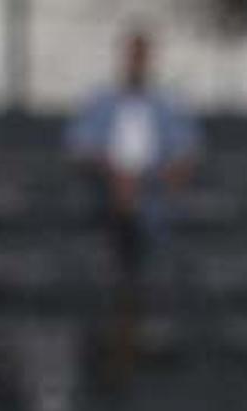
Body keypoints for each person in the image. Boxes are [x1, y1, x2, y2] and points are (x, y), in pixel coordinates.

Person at [65, 28, 202, 279]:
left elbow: (186, 152)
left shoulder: (169, 105)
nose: (136, 61)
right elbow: (80, 147)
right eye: (131, 54)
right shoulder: (99, 102)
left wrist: (150, 180)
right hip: (105, 189)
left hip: (156, 190)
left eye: (142, 55)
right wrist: (114, 173)